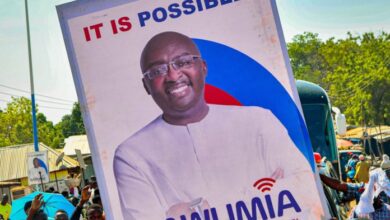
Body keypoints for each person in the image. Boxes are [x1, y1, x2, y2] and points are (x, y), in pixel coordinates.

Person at [113, 31, 323, 219]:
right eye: (158, 70)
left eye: (183, 62)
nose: (173, 75)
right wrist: (263, 191)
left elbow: (306, 190)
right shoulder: (131, 155)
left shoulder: (258, 121)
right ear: (146, 85)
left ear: (203, 68)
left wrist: (202, 209)